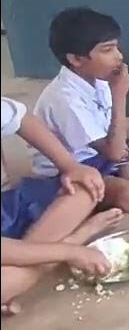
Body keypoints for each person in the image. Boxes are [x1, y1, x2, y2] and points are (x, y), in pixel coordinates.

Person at [34, 8, 129, 212]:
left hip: (104, 152)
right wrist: (119, 95)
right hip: (73, 169)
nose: (119, 56)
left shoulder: (96, 79)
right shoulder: (64, 98)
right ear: (76, 59)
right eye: (107, 50)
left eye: (116, 47)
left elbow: (111, 127)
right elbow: (114, 152)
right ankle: (128, 168)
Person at [2, 96, 121, 316]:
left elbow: (21, 116)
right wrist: (71, 250)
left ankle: (20, 277)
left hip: (6, 206)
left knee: (85, 188)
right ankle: (72, 238)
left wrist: (69, 165)